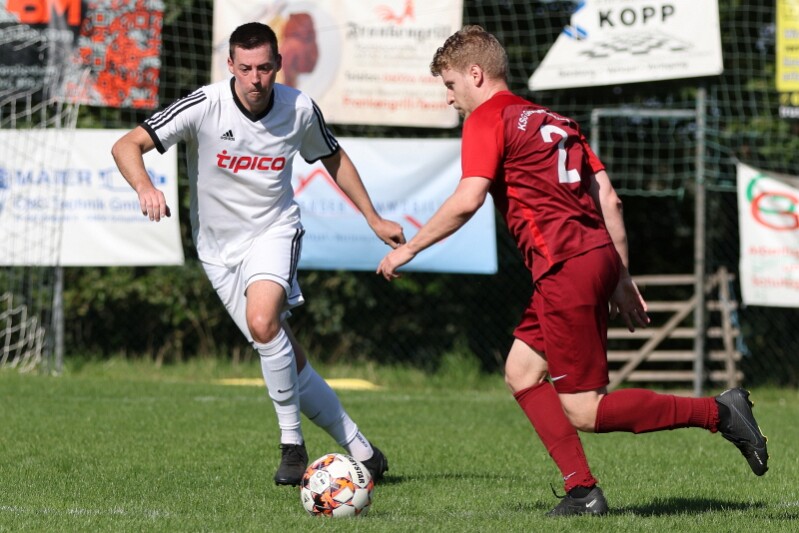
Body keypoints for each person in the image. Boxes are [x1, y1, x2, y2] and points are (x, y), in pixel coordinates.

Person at [377, 25, 769, 516]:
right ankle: (582, 491)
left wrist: (410, 248)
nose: (449, 97)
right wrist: (620, 275)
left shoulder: (486, 118)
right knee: (522, 371)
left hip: (566, 267)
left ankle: (719, 412)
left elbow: (468, 199)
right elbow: (610, 200)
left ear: (475, 74)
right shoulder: (557, 121)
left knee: (585, 409)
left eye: (450, 84)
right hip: (593, 258)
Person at [112, 22, 404, 487]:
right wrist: (145, 186)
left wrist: (373, 218)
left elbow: (333, 157)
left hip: (273, 231)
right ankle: (363, 450)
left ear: (278, 65)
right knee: (281, 350)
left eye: (264, 68)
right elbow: (127, 144)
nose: (255, 79)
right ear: (230, 65)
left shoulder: (299, 109)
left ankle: (292, 447)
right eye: (245, 68)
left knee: (264, 322)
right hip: (216, 251)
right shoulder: (204, 105)